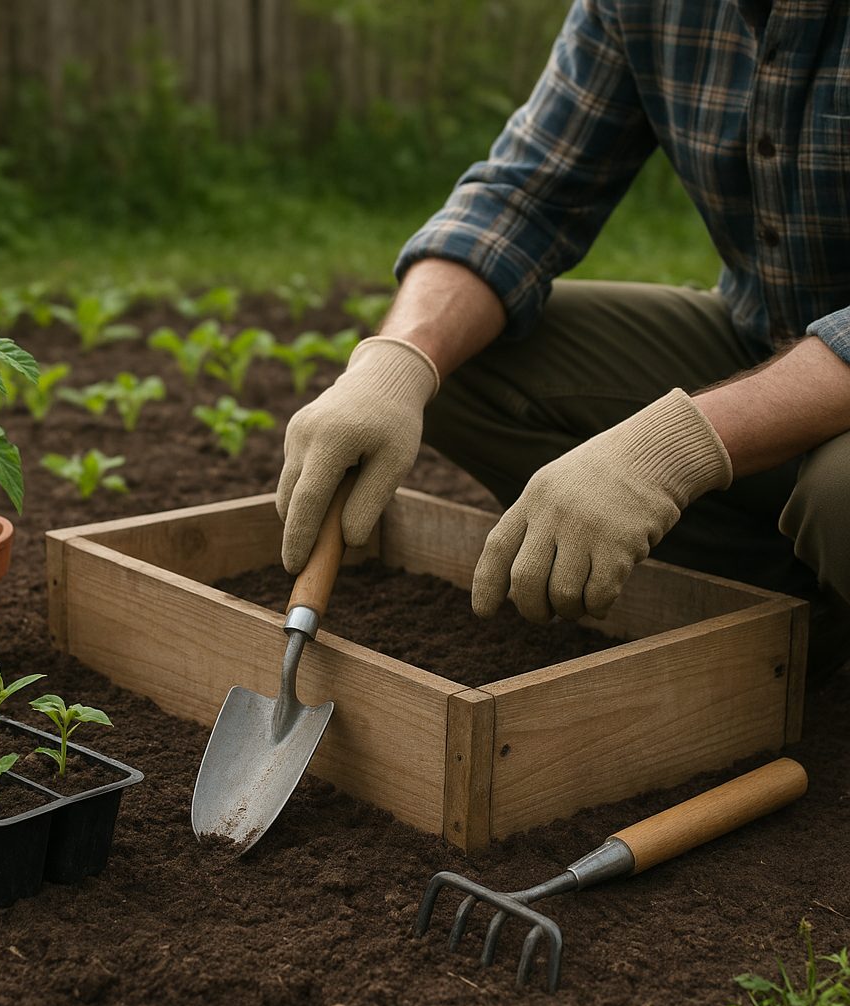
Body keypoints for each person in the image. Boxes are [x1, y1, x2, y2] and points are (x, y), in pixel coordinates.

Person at [276, 0, 850, 679]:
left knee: (839, 495)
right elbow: (526, 196)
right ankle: (792, 613)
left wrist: (672, 450)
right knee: (457, 361)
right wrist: (396, 367)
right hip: (766, 333)